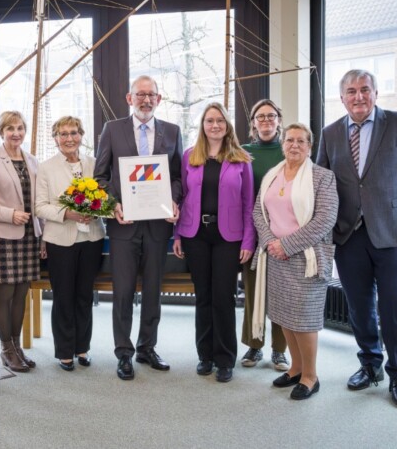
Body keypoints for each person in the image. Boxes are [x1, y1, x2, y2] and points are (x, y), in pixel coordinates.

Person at [317, 69, 397, 407]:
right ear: (342, 98)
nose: (358, 96)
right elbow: (322, 184)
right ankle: (370, 364)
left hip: (393, 231)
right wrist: (322, 230)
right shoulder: (330, 133)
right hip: (347, 233)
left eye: (364, 90)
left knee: (394, 305)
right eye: (351, 91)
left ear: (376, 93)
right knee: (359, 304)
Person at [94, 75, 183, 380]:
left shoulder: (172, 131)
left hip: (158, 226)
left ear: (159, 99)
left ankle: (147, 347)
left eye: (152, 95)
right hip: (124, 226)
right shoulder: (112, 129)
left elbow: (178, 176)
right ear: (129, 98)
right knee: (123, 292)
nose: (146, 100)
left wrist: (173, 199)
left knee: (154, 290)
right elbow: (100, 177)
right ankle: (124, 352)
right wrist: (113, 204)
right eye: (140, 94)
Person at [252, 123, 338, 400]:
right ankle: (296, 368)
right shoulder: (272, 174)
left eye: (302, 141)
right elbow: (258, 212)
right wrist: (270, 243)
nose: (295, 145)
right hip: (276, 257)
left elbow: (325, 219)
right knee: (284, 316)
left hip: (307, 258)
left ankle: (311, 376)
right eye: (290, 140)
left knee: (305, 319)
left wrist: (287, 245)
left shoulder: (322, 177)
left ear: (310, 147)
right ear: (283, 143)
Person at [172, 102, 255, 382]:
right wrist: (178, 234)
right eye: (209, 121)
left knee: (224, 297)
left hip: (228, 238)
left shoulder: (241, 158)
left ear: (227, 125)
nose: (215, 125)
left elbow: (248, 204)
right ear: (202, 126)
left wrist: (248, 240)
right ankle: (205, 355)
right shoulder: (189, 157)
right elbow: (181, 198)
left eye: (220, 120)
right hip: (195, 235)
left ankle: (225, 359)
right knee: (203, 297)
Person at [35, 116, 106, 371]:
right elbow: (40, 206)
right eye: (62, 134)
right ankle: (65, 351)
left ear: (81, 135)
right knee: (64, 296)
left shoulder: (94, 164)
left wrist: (96, 211)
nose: (69, 138)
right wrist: (68, 213)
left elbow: (104, 197)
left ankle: (82, 348)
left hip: (92, 238)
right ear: (55, 138)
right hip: (60, 240)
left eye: (73, 133)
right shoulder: (45, 168)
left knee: (85, 296)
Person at [0, 110, 44, 373]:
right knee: (4, 294)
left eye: (20, 128)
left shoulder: (32, 160)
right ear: (1, 131)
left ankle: (17, 346)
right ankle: (6, 349)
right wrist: (9, 215)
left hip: (29, 236)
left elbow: (38, 202)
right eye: (10, 128)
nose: (16, 133)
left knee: (21, 295)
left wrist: (43, 236)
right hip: (3, 235)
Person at [239, 99, 289, 371]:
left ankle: (280, 350)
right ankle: (253, 345)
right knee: (252, 290)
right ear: (253, 123)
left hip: (283, 234)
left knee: (280, 293)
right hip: (252, 233)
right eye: (261, 117)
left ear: (279, 120)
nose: (266, 121)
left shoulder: (289, 150)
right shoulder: (243, 152)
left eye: (271, 116)